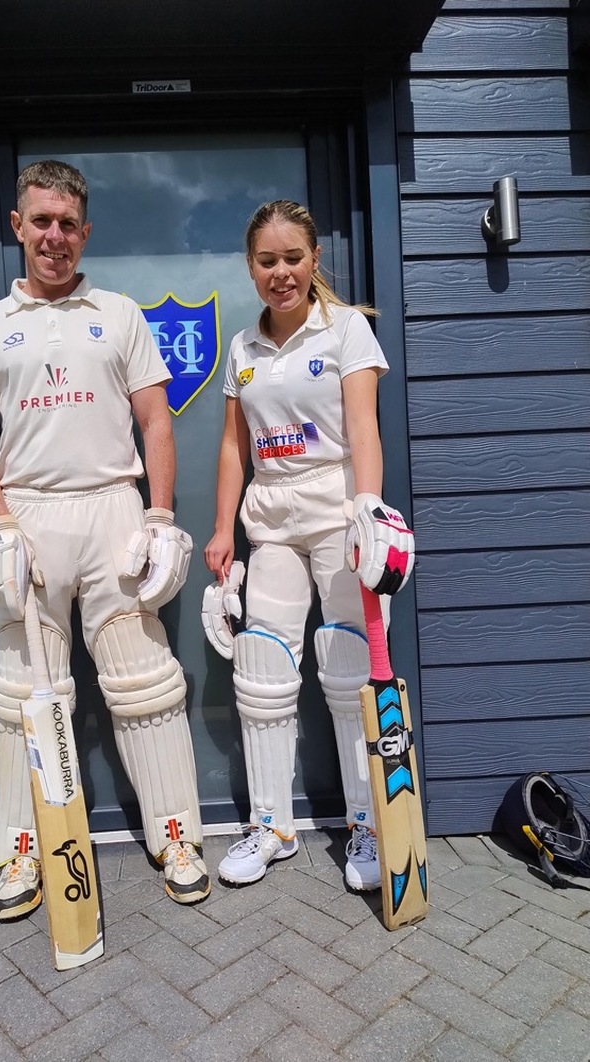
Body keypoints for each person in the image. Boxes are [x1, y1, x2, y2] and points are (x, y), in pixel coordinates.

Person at [0, 159, 210, 921]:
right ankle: (24, 851)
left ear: (84, 230)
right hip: (28, 511)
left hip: (111, 507)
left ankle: (176, 836)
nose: (54, 236)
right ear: (18, 227)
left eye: (67, 223)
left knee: (144, 682)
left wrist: (159, 517)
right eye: (41, 221)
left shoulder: (119, 312)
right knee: (25, 694)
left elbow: (156, 418)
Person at [203, 200, 414, 891]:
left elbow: (364, 427)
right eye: (267, 261)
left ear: (314, 259)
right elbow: (235, 450)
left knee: (348, 668)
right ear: (251, 268)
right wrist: (221, 529)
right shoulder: (242, 347)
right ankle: (272, 825)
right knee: (261, 670)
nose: (281, 273)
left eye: (293, 258)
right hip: (270, 516)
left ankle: (366, 822)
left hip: (333, 508)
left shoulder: (345, 329)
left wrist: (369, 509)